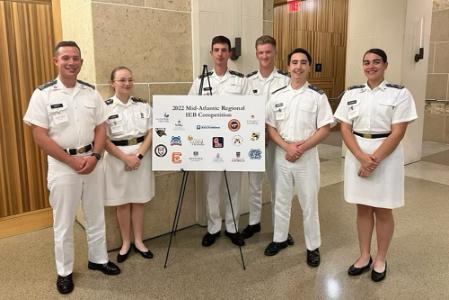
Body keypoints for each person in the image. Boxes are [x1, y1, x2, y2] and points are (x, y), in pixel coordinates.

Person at [23, 41, 120, 295]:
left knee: (95, 213)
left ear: (81, 62)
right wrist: (71, 161)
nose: (71, 62)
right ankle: (64, 271)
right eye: (65, 58)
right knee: (63, 221)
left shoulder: (90, 93)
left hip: (92, 161)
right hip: (62, 166)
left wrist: (96, 156)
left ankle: (98, 259)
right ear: (56, 61)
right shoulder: (43, 94)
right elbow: (40, 136)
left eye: (76, 58)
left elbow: (101, 127)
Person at [334, 48, 417, 282]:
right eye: (366, 62)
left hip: (386, 156)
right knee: (362, 208)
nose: (371, 66)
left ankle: (380, 258)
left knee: (382, 209)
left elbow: (398, 131)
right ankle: (363, 256)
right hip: (357, 152)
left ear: (385, 65)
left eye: (376, 62)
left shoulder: (399, 94)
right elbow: (344, 127)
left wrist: (373, 161)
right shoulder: (352, 93)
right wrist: (361, 157)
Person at [265, 48, 334, 268]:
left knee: (309, 203)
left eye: (303, 62)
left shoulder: (317, 96)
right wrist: (287, 147)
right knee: (281, 200)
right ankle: (279, 239)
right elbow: (270, 127)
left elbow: (325, 128)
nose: (298, 67)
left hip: (306, 156)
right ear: (288, 66)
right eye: (294, 62)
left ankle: (313, 247)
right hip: (282, 153)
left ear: (309, 67)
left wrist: (300, 148)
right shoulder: (277, 96)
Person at [189, 35, 251, 247]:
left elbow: (250, 111)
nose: (220, 54)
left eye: (224, 50)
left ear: (229, 53)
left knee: (233, 187)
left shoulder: (240, 81)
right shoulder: (200, 81)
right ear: (211, 53)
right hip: (209, 143)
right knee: (212, 188)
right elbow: (190, 109)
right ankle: (213, 227)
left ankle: (233, 227)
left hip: (234, 143)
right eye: (216, 50)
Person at [241, 35, 291, 243]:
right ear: (256, 54)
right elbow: (242, 110)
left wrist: (272, 134)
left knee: (279, 185)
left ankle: (281, 229)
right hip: (254, 140)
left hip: (277, 141)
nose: (264, 56)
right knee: (254, 184)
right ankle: (254, 222)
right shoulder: (248, 81)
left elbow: (288, 112)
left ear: (275, 52)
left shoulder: (285, 81)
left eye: (268, 52)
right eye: (261, 52)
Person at [103, 66, 155, 263]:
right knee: (123, 203)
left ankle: (139, 241)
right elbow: (103, 139)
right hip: (118, 160)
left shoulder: (143, 106)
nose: (127, 83)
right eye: (122, 80)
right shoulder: (105, 108)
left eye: (130, 80)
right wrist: (126, 158)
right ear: (112, 83)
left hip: (141, 157)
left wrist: (138, 156)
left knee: (139, 200)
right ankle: (126, 243)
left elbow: (151, 133)